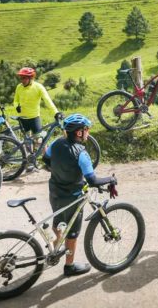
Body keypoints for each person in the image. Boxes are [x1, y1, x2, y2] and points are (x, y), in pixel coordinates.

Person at [44, 114, 117, 276]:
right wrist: (110, 179)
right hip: (73, 196)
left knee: (59, 220)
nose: (88, 133)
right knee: (72, 233)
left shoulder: (56, 143)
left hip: (55, 192)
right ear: (79, 133)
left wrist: (59, 170)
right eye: (86, 130)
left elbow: (45, 159)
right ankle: (69, 266)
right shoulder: (81, 153)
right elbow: (92, 180)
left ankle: (55, 246)